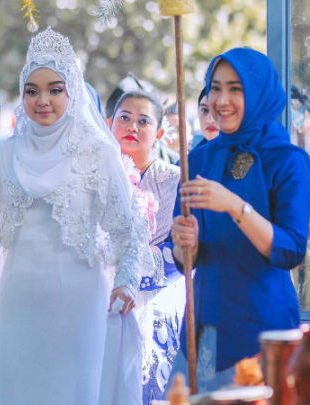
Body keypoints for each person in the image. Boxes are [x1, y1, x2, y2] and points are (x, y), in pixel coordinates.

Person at [0, 27, 144, 404]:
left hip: (79, 307)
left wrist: (126, 282)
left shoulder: (97, 152)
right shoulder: (5, 154)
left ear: (72, 91)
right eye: (32, 91)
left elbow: (127, 231)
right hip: (17, 304)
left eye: (55, 89)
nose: (43, 100)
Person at [168, 48, 310, 393]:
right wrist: (183, 243)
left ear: (259, 91)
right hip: (207, 325)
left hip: (264, 325)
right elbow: (184, 261)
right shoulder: (198, 158)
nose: (222, 100)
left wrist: (235, 206)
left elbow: (290, 250)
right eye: (215, 88)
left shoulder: (290, 161)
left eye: (236, 89)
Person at [109, 90, 184, 404]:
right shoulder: (94, 176)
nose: (132, 127)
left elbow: (177, 252)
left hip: (153, 300)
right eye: (124, 117)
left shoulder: (174, 179)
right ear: (108, 123)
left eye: (143, 121)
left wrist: (127, 269)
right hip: (100, 297)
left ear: (160, 133)